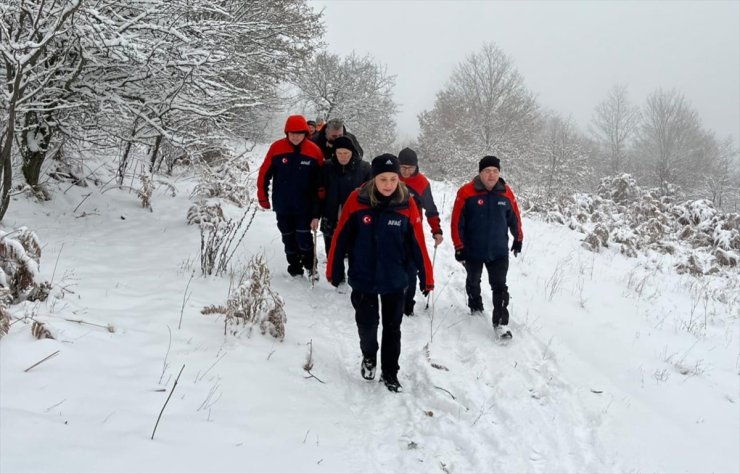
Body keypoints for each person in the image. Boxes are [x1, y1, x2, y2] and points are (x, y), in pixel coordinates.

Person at [327, 154, 434, 392]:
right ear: (374, 179)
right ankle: (368, 356)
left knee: (392, 328)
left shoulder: (407, 203)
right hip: (363, 276)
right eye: (383, 179)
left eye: (393, 179)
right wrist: (333, 268)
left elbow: (418, 243)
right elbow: (340, 236)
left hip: (395, 278)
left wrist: (427, 276)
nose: (388, 184)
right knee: (367, 325)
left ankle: (390, 373)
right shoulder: (357, 200)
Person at [450, 155, 523, 339]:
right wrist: (459, 246)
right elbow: (456, 222)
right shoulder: (466, 192)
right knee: (473, 279)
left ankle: (501, 324)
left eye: (495, 171)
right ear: (480, 173)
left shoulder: (506, 193)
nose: (492, 175)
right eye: (487, 171)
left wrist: (518, 238)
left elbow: (514, 217)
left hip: (498, 250)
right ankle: (475, 304)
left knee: (500, 286)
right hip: (473, 250)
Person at [257, 115, 324, 278]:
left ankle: (310, 265)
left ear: (305, 133)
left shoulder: (314, 151)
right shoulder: (277, 148)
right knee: (287, 237)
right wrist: (262, 197)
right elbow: (264, 174)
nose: (295, 137)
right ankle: (294, 267)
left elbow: (320, 184)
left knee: (303, 237)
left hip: (304, 206)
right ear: (287, 132)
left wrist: (317, 210)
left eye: (299, 133)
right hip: (283, 203)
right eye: (292, 133)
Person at [398, 147, 444, 316]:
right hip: (390, 229)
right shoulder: (391, 177)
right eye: (402, 167)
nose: (406, 171)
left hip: (412, 230)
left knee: (411, 268)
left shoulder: (421, 183)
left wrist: (436, 230)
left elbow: (431, 209)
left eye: (410, 168)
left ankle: (407, 304)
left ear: (416, 167)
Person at [319, 136, 372, 263]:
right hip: (331, 214)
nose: (343, 156)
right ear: (335, 153)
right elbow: (318, 192)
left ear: (352, 152)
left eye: (346, 153)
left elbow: (371, 194)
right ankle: (335, 277)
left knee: (354, 250)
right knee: (332, 250)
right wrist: (315, 214)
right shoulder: (326, 167)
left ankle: (354, 277)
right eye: (339, 153)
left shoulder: (364, 169)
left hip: (355, 216)